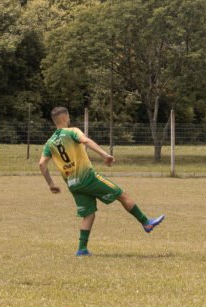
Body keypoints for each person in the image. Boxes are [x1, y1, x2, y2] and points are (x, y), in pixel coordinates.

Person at [38, 107, 164, 256]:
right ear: (66, 118)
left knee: (89, 214)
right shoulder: (72, 131)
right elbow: (86, 141)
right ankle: (146, 222)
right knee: (122, 194)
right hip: (88, 178)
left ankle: (82, 249)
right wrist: (105, 155)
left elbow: (41, 164)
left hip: (73, 184)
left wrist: (51, 184)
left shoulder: (49, 142)